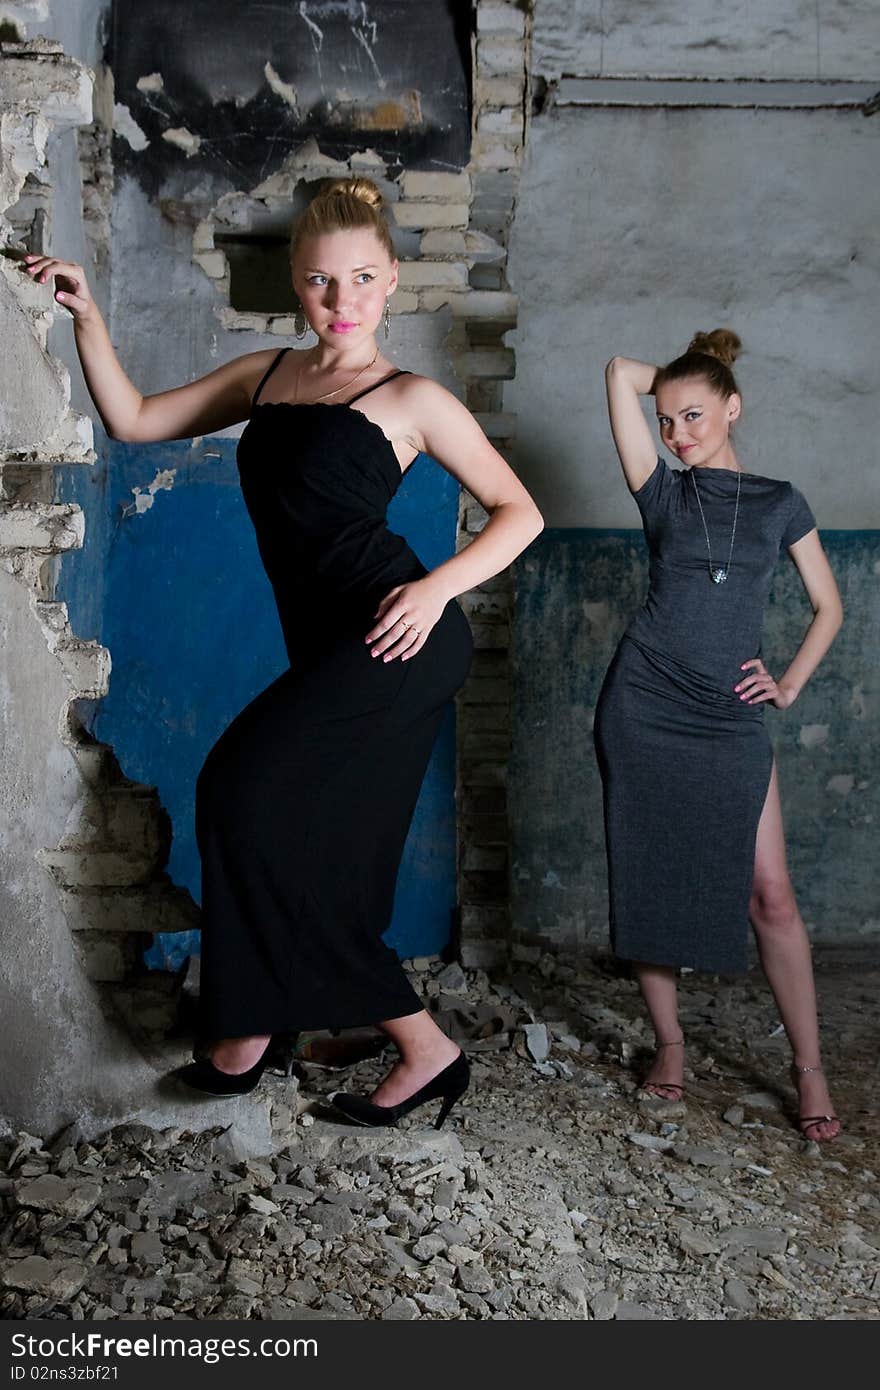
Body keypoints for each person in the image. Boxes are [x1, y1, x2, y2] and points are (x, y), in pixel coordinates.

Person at [25, 178, 543, 1128]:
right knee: (297, 842)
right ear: (297, 289)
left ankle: (276, 1036)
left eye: (359, 280)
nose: (340, 302)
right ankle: (358, 1040)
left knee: (240, 792)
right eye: (318, 282)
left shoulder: (414, 397)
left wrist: (435, 588)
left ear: (390, 283)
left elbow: (524, 512)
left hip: (401, 636)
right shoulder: (264, 376)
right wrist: (88, 317)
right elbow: (135, 420)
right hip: (328, 646)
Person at [596, 330, 842, 1142]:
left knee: (769, 890)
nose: (678, 434)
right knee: (649, 873)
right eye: (666, 421)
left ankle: (808, 1068)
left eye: (695, 415)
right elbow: (618, 374)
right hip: (645, 698)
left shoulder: (781, 501)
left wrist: (789, 683)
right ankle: (669, 1047)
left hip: (729, 712)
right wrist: (672, 380)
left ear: (734, 408)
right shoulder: (663, 491)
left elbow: (829, 606)